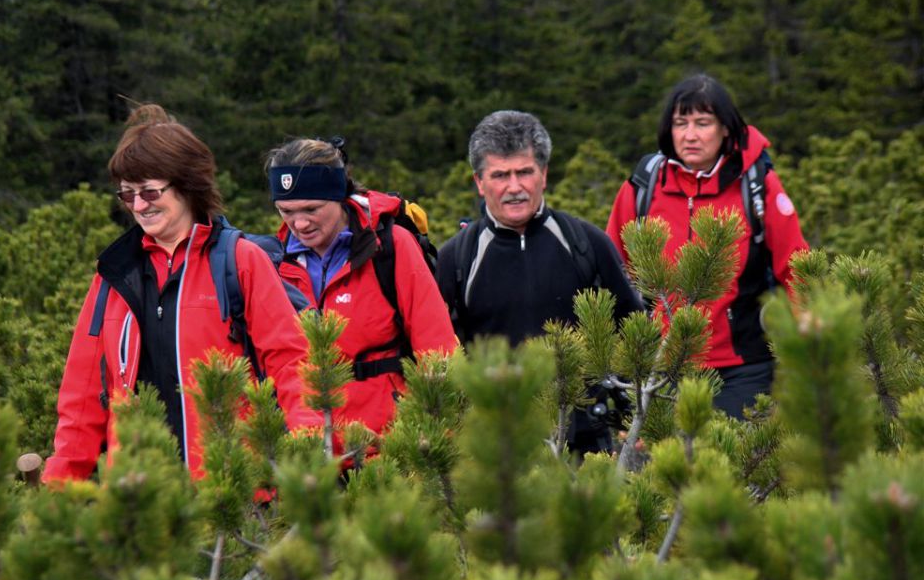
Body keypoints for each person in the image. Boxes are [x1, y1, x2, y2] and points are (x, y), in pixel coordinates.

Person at [43, 104, 310, 482]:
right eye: (127, 195)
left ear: (187, 185)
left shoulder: (240, 261)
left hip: (231, 499)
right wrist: (59, 497)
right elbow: (82, 400)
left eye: (150, 192)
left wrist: (308, 461)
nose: (138, 206)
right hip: (140, 507)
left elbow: (292, 366)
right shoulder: (114, 275)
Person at [435, 110, 644, 454]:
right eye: (500, 175)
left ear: (544, 175)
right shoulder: (457, 259)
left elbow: (633, 330)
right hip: (496, 447)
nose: (514, 187)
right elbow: (439, 355)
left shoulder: (586, 243)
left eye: (525, 172)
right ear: (479, 182)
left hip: (586, 442)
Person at [606, 74, 808, 419]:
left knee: (734, 467)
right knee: (661, 470)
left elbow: (797, 268)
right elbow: (611, 267)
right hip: (659, 367)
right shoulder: (644, 184)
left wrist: (809, 348)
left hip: (741, 368)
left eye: (703, 123)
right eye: (680, 123)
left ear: (726, 128)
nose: (690, 135)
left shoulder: (757, 184)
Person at [266, 138, 456, 452]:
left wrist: (437, 448)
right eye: (286, 211)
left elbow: (437, 349)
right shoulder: (274, 262)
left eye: (312, 209)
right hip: (310, 458)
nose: (299, 223)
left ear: (339, 197)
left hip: (389, 449)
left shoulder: (390, 248)